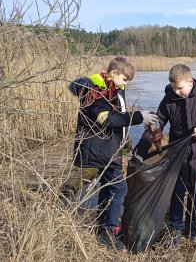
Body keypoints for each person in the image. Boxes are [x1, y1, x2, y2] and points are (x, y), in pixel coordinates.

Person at [69, 56, 158, 252]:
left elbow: (119, 115)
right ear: (114, 73)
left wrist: (125, 142)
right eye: (124, 79)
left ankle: (102, 229)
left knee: (108, 187)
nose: (126, 83)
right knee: (118, 189)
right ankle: (109, 234)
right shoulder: (95, 91)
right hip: (100, 150)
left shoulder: (115, 88)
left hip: (111, 149)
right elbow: (107, 119)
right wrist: (138, 117)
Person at [132, 64, 196, 248]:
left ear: (190, 81)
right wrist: (143, 147)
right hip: (176, 157)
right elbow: (158, 123)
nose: (176, 91)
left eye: (179, 88)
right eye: (173, 87)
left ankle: (192, 227)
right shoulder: (168, 99)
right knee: (176, 193)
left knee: (195, 193)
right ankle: (175, 230)